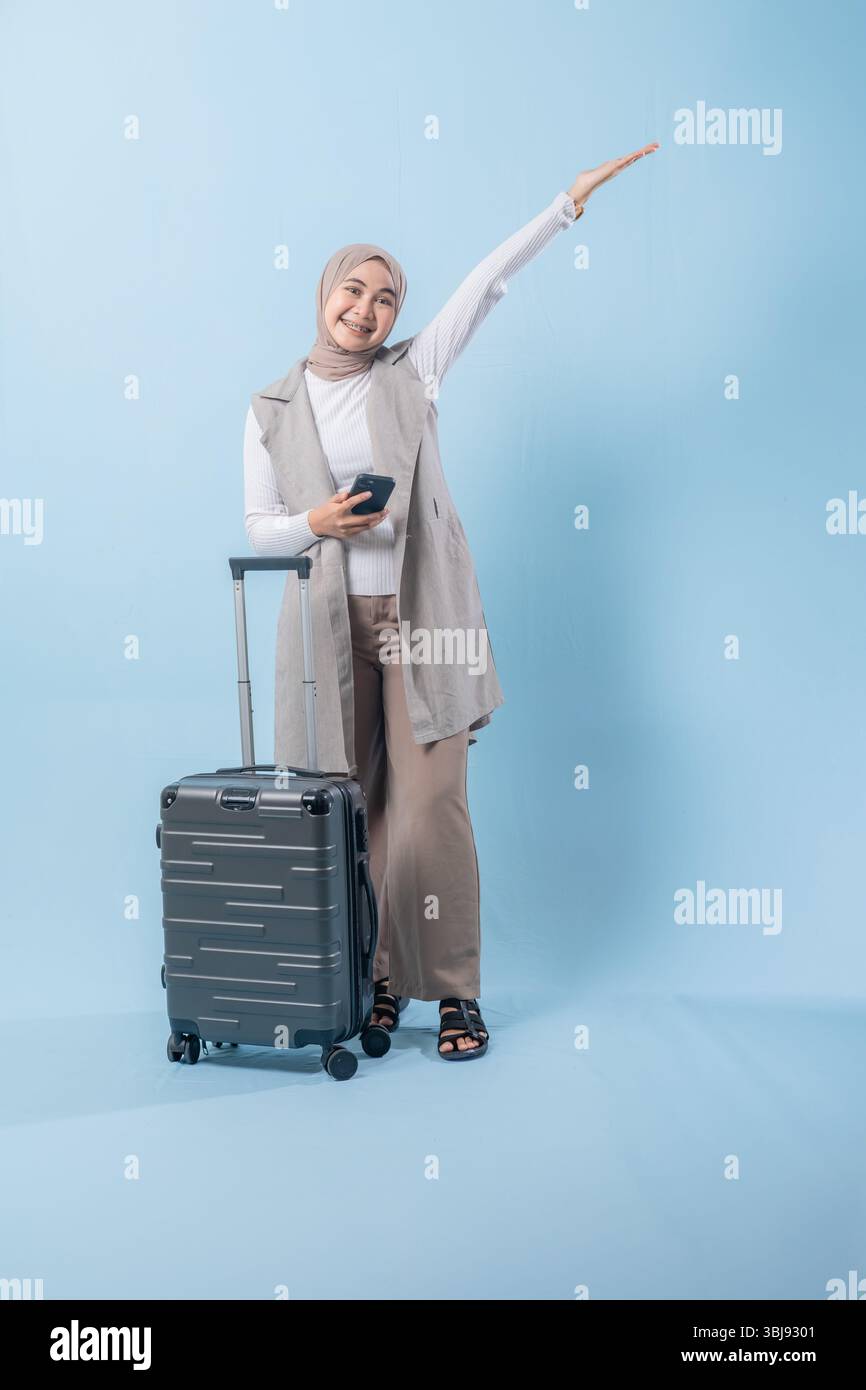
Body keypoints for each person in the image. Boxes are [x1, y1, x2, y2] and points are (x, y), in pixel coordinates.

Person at [245, 144, 658, 1060]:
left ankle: (457, 993)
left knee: (434, 803)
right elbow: (261, 527)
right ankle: (383, 983)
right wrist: (316, 520)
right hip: (325, 629)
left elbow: (483, 280)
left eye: (385, 296)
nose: (367, 309)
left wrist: (567, 205)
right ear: (324, 295)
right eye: (353, 291)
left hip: (422, 619)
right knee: (361, 808)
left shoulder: (413, 370)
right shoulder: (271, 407)